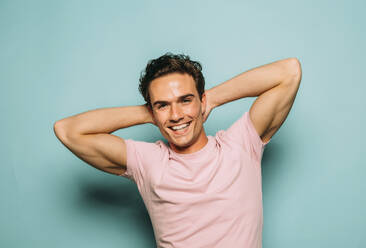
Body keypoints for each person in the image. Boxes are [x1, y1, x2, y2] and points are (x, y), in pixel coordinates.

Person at [53, 52, 302, 248]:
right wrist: (149, 113)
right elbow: (68, 130)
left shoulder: (241, 144)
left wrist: (211, 98)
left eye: (185, 100)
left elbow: (289, 71)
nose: (176, 115)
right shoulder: (147, 161)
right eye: (163, 105)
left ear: (200, 101)